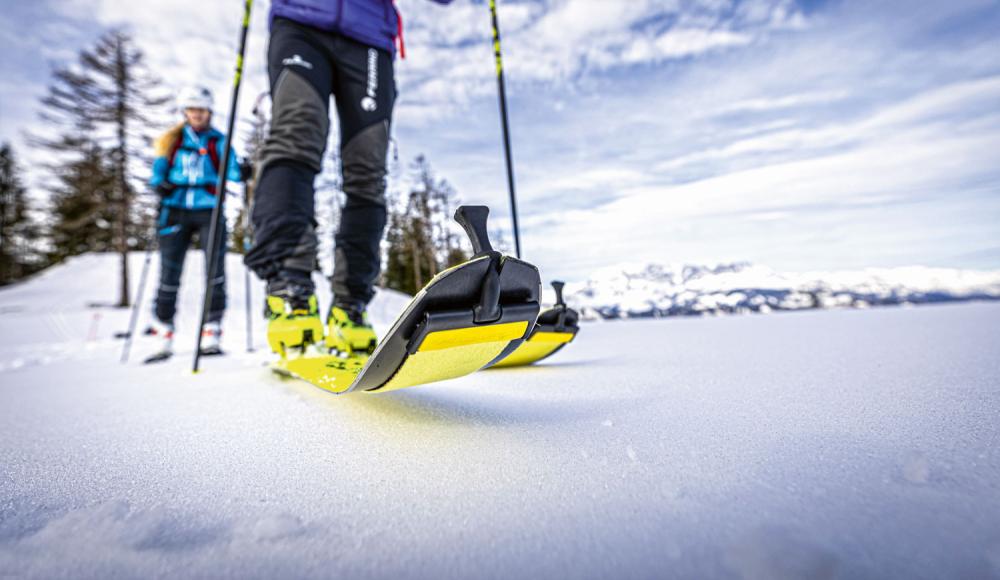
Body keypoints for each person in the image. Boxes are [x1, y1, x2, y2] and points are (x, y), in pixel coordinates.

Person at [245, 0, 453, 356]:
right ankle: (288, 288)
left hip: (370, 36)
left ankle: (350, 306)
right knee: (295, 135)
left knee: (368, 168)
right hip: (300, 21)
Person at [148, 86, 244, 357]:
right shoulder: (171, 141)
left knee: (215, 270)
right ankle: (163, 331)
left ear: (209, 112)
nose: (197, 114)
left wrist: (244, 170)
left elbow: (233, 172)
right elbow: (157, 174)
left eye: (201, 110)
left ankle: (211, 330)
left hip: (209, 210)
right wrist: (160, 185)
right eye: (192, 110)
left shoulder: (219, 141)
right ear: (185, 112)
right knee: (169, 272)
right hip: (174, 209)